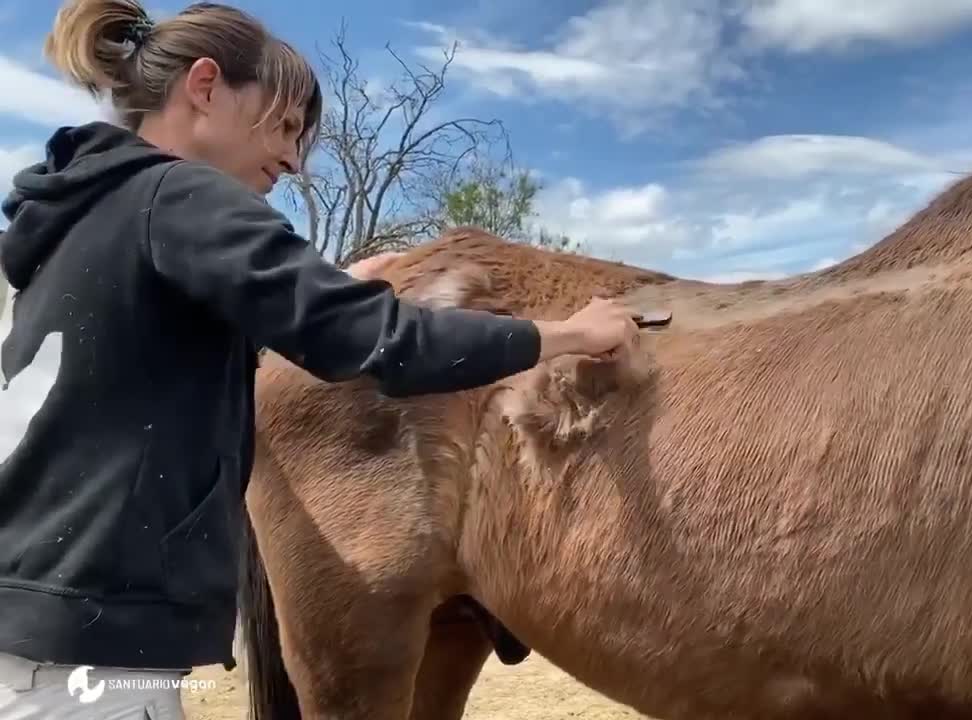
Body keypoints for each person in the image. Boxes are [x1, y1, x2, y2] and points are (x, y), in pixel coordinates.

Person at [0, 0, 639, 716]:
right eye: (285, 125)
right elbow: (386, 344)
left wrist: (308, 298)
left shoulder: (78, 221)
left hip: (31, 621)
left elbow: (144, 370)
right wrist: (562, 335)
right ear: (205, 87)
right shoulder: (180, 196)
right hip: (91, 652)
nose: (296, 159)